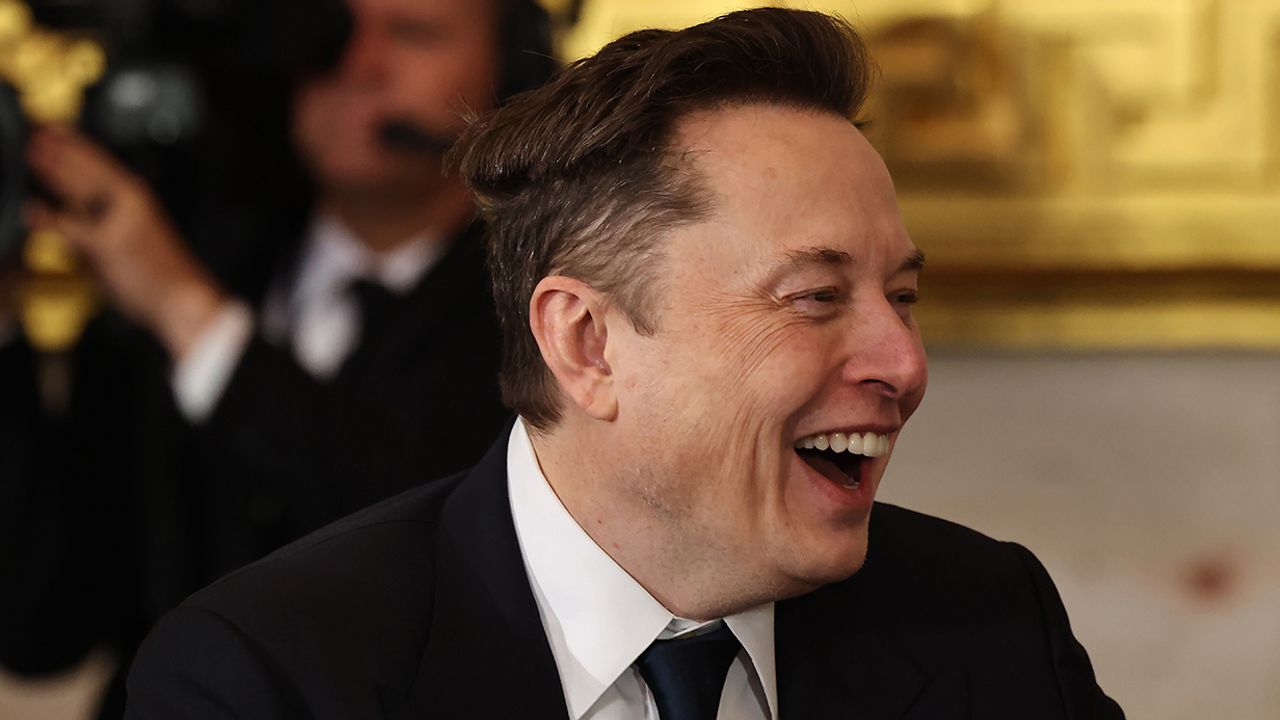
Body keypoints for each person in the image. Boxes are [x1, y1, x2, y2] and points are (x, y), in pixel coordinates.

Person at [124, 8, 1125, 719]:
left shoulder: (989, 625)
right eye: (815, 297)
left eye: (900, 297)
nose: (902, 362)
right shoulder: (270, 678)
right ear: (586, 343)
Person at [0, 0, 553, 716]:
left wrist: (188, 315)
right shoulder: (189, 263)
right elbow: (44, 626)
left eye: (413, 33)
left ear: (512, 75)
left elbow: (450, 560)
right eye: (331, 29)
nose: (358, 63)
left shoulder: (545, 316)